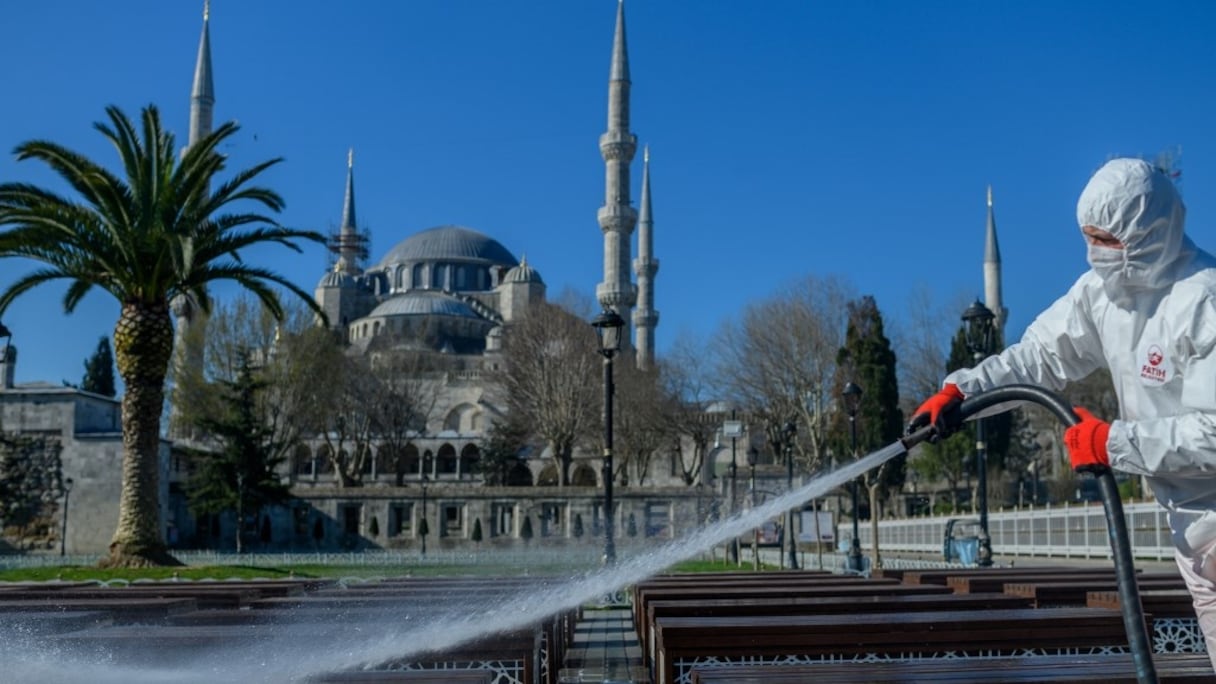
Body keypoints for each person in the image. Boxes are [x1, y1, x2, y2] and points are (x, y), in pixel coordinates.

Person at [910, 157, 1216, 667]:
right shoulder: (1101, 296)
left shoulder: (1204, 300)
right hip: (1191, 536)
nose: (1095, 252)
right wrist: (963, 393)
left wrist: (1112, 443)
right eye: (1089, 238)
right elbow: (1037, 360)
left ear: (1149, 232)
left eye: (1107, 240)